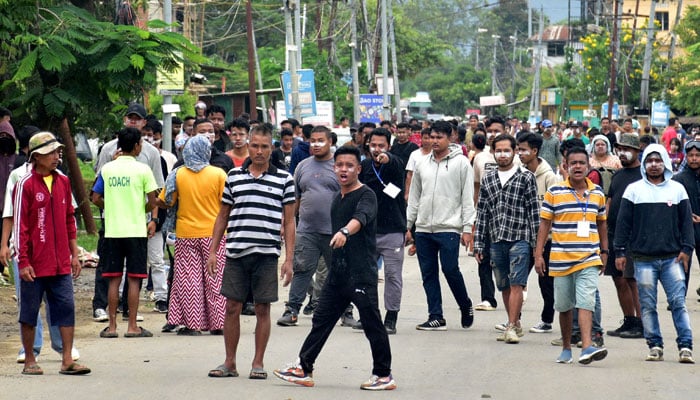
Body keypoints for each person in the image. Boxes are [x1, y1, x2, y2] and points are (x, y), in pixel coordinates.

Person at [273, 146, 396, 391]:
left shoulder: (366, 195)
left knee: (372, 323)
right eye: (339, 165)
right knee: (321, 320)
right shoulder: (336, 198)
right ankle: (303, 367)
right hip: (338, 273)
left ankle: (383, 375)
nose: (343, 169)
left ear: (358, 169)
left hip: (361, 274)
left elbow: (361, 218)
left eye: (349, 165)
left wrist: (344, 231)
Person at [206, 124, 295, 380]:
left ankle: (258, 362)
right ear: (248, 145)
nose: (258, 151)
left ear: (271, 148)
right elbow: (223, 216)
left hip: (267, 254)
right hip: (235, 252)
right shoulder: (233, 176)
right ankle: (230, 362)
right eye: (254, 145)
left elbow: (289, 222)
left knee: (262, 309)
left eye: (264, 146)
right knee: (232, 307)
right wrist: (214, 250)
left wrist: (289, 259)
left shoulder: (284, 180)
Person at [14, 131, 90, 375]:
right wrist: (23, 261)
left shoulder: (63, 181)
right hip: (34, 263)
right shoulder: (24, 184)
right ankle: (29, 360)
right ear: (36, 157)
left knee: (66, 307)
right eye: (51, 153)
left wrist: (74, 253)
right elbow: (20, 226)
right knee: (29, 311)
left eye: (58, 152)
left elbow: (70, 219)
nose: (57, 156)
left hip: (60, 263)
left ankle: (67, 359)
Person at [615, 144, 695, 363]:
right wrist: (620, 251)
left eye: (658, 160)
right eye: (649, 161)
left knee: (678, 302)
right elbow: (623, 223)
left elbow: (686, 222)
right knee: (648, 305)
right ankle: (655, 345)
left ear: (666, 163)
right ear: (643, 164)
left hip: (672, 259)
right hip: (643, 260)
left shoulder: (677, 189)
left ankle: (685, 346)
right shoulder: (634, 190)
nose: (653, 165)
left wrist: (687, 249)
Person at [534, 146, 609, 365]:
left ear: (588, 166)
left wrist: (605, 251)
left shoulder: (597, 193)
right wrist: (538, 254)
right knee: (564, 306)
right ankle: (567, 347)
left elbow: (602, 224)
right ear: (565, 166)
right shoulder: (555, 193)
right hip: (560, 259)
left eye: (581, 163)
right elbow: (544, 225)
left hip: (589, 257)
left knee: (586, 301)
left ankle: (586, 347)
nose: (577, 167)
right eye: (573, 163)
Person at [92, 103, 164, 323]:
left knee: (113, 276)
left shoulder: (146, 156)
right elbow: (155, 197)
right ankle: (128, 322)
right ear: (137, 146)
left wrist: (112, 206)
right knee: (133, 277)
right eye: (130, 117)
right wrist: (145, 212)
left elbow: (95, 196)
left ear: (144, 122)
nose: (133, 120)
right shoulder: (117, 156)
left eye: (137, 118)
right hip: (134, 226)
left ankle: (113, 325)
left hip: (116, 224)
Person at [406, 120, 475, 330]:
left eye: (439, 137)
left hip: (449, 227)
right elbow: (415, 197)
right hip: (424, 228)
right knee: (428, 273)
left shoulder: (462, 163)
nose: (434, 141)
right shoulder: (422, 163)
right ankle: (436, 315)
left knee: (450, 269)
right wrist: (409, 225)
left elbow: (467, 197)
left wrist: (467, 228)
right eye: (432, 137)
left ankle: (465, 304)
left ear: (451, 138)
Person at [156, 135, 227, 335]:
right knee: (216, 278)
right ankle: (219, 323)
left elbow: (166, 201)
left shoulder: (178, 174)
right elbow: (228, 203)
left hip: (186, 233)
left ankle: (193, 324)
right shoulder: (219, 174)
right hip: (215, 234)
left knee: (189, 280)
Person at [474, 134, 540, 344]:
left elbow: (533, 212)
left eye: (507, 150)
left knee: (517, 283)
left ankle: (511, 326)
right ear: (493, 152)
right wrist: (478, 243)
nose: (503, 155)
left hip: (520, 238)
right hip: (496, 238)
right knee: (503, 285)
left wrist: (536, 246)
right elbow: (482, 211)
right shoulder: (489, 177)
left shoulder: (526, 177)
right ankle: (515, 322)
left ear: (515, 152)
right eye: (499, 151)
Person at [276, 126, 338, 326]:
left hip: (334, 231)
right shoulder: (302, 166)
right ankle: (292, 310)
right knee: (302, 270)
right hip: (307, 230)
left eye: (321, 140)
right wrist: (286, 224)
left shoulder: (339, 165)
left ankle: (346, 311)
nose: (316, 144)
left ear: (330, 142)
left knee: (339, 271)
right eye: (312, 141)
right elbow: (294, 199)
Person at [357, 128, 407, 334]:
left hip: (393, 230)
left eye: (381, 146)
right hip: (368, 231)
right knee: (366, 275)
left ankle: (391, 317)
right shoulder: (364, 166)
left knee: (393, 275)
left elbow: (394, 163)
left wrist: (388, 158)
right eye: (373, 145)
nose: (377, 150)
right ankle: (369, 315)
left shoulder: (396, 163)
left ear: (389, 146)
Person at [516, 133, 559, 334]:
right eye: (519, 149)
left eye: (524, 149)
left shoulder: (550, 177)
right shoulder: (519, 173)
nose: (520, 153)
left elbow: (555, 209)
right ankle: (514, 318)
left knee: (545, 281)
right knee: (517, 279)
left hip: (547, 239)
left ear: (535, 151)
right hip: (524, 236)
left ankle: (547, 319)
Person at [604, 134, 644, 339]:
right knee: (618, 279)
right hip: (613, 234)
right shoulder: (618, 175)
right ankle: (629, 320)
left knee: (632, 280)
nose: (622, 152)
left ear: (637, 151)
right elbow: (610, 201)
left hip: (633, 236)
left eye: (627, 148)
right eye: (619, 148)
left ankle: (643, 323)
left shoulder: (643, 174)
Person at [674, 140, 700, 297]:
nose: (694, 159)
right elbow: (672, 204)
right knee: (683, 263)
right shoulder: (678, 179)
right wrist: (687, 216)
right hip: (685, 228)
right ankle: (678, 297)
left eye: (698, 155)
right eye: (691, 155)